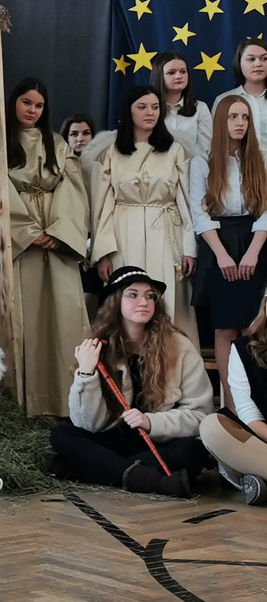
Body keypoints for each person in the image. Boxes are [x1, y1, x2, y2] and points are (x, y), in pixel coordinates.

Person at [50, 267, 212, 498]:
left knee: (192, 451)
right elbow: (87, 424)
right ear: (115, 302)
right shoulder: (99, 347)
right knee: (61, 435)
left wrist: (151, 422)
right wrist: (86, 374)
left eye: (150, 296)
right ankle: (150, 479)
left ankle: (103, 471)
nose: (143, 302)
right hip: (112, 438)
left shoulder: (179, 346)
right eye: (133, 295)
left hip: (157, 441)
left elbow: (199, 415)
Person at [7, 79, 90, 416]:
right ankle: (24, 402)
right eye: (26, 102)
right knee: (27, 320)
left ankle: (65, 401)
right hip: (22, 243)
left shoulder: (57, 143)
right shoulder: (1, 141)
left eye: (39, 105)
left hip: (58, 241)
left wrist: (59, 232)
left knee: (64, 316)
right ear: (14, 102)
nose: (32, 110)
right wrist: (26, 232)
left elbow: (75, 191)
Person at [90, 85, 197, 340]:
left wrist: (189, 248)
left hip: (167, 231)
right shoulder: (110, 153)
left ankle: (173, 359)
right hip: (124, 233)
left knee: (168, 299)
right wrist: (103, 253)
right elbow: (101, 207)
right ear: (129, 111)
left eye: (155, 107)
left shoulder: (175, 150)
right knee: (127, 299)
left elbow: (188, 201)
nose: (150, 112)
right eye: (142, 107)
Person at [189, 96, 267, 403]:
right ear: (221, 121)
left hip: (254, 241)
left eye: (245, 117)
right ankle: (231, 405)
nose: (240, 123)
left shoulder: (259, 159)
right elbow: (200, 214)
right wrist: (222, 255)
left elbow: (266, 211)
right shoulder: (202, 162)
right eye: (233, 116)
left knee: (252, 327)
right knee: (224, 329)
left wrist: (253, 252)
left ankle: (254, 403)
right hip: (218, 243)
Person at [199, 297, 267, 506]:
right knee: (212, 428)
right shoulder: (245, 349)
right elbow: (250, 416)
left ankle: (258, 479)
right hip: (263, 438)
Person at [149, 51, 211, 160]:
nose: (178, 76)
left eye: (183, 71)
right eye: (171, 73)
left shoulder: (200, 108)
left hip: (192, 168)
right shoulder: (148, 109)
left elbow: (206, 149)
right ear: (159, 76)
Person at [214, 38, 267, 154]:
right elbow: (217, 140)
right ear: (239, 63)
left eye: (264, 59)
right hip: (236, 163)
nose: (258, 64)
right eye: (251, 59)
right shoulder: (223, 100)